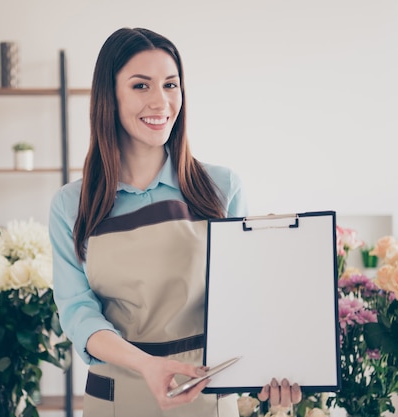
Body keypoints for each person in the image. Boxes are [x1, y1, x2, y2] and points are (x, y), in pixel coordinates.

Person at [49, 27, 301, 417]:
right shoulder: (72, 206)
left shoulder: (221, 187)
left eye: (171, 84)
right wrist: (148, 365)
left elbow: (245, 298)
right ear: (108, 96)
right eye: (140, 86)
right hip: (115, 399)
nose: (161, 101)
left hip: (207, 396)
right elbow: (78, 313)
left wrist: (273, 370)